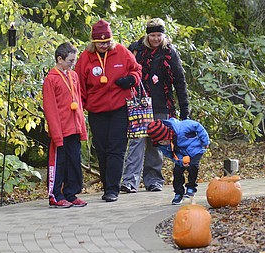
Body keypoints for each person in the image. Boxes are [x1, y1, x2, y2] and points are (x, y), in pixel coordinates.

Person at [75, 19, 142, 202]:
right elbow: (79, 85)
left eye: (106, 42)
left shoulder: (121, 51)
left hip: (119, 108)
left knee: (117, 148)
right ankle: (107, 184)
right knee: (102, 149)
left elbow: (137, 70)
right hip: (97, 110)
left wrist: (131, 80)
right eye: (100, 43)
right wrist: (79, 108)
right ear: (93, 42)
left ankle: (112, 189)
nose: (104, 45)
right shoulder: (85, 58)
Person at [121, 17, 189, 193]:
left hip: (161, 104)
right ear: (147, 35)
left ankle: (154, 180)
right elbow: (125, 71)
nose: (156, 39)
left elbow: (180, 81)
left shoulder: (170, 53)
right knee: (136, 141)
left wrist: (184, 110)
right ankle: (130, 181)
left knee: (156, 142)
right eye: (153, 35)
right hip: (139, 104)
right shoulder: (136, 51)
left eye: (159, 35)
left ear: (163, 35)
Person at [43, 42, 88, 208]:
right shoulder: (51, 79)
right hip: (60, 130)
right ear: (59, 59)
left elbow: (79, 103)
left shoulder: (73, 76)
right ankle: (55, 194)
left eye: (74, 60)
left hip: (74, 128)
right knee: (59, 163)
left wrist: (81, 128)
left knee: (74, 161)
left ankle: (71, 193)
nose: (73, 64)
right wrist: (56, 133)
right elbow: (50, 108)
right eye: (70, 61)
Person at [147, 118, 210, 205]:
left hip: (195, 149)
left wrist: (205, 141)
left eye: (165, 140)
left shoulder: (182, 128)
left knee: (193, 166)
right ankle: (178, 193)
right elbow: (171, 155)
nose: (164, 143)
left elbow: (198, 126)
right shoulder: (162, 146)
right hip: (181, 156)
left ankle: (191, 187)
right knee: (177, 171)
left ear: (168, 133)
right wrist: (180, 161)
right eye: (161, 142)